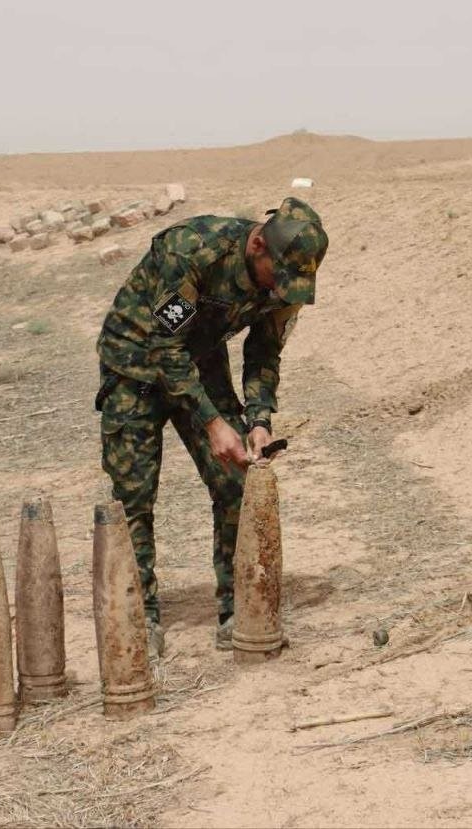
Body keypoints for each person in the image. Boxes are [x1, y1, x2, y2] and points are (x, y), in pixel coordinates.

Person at [95, 197, 328, 655]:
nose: (280, 291)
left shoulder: (285, 280)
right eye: (276, 278)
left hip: (200, 363)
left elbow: (264, 354)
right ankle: (140, 616)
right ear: (257, 244)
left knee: (237, 479)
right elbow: (165, 345)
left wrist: (258, 419)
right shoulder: (193, 249)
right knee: (134, 496)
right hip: (135, 365)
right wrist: (212, 423)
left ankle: (235, 610)